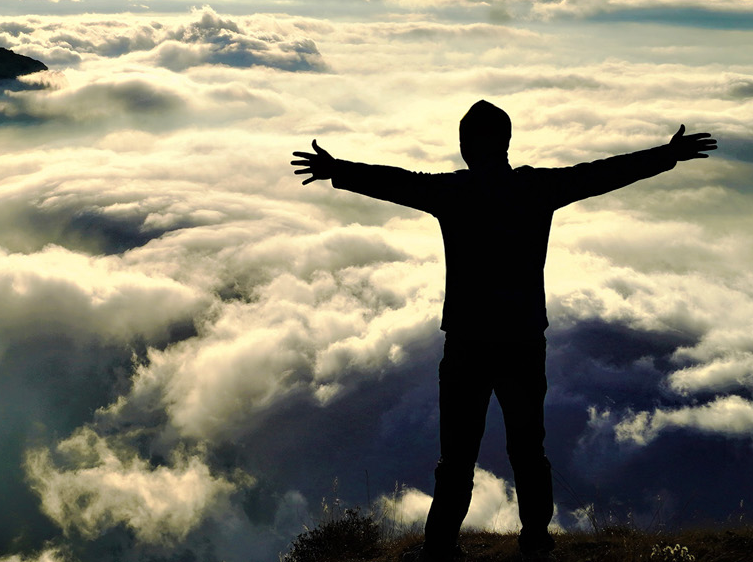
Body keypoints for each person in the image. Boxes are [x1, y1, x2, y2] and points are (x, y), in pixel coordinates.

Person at [291, 101, 717, 562]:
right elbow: (601, 174)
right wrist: (666, 155)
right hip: (523, 343)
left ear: (467, 146)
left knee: (456, 459)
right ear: (507, 142)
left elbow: (397, 183)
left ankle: (440, 548)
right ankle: (535, 543)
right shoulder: (535, 189)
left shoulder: (454, 192)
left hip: (468, 346)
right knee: (528, 452)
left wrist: (338, 170)